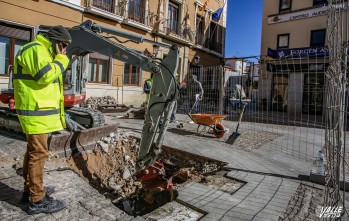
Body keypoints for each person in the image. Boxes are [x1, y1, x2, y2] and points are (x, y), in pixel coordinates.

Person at [13, 25, 72, 214]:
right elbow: (45, 76)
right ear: (54, 42)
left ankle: (29, 191)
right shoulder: (34, 49)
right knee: (39, 154)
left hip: (40, 113)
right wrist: (62, 59)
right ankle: (37, 200)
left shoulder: (44, 53)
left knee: (33, 152)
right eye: (62, 45)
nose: (64, 50)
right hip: (35, 113)